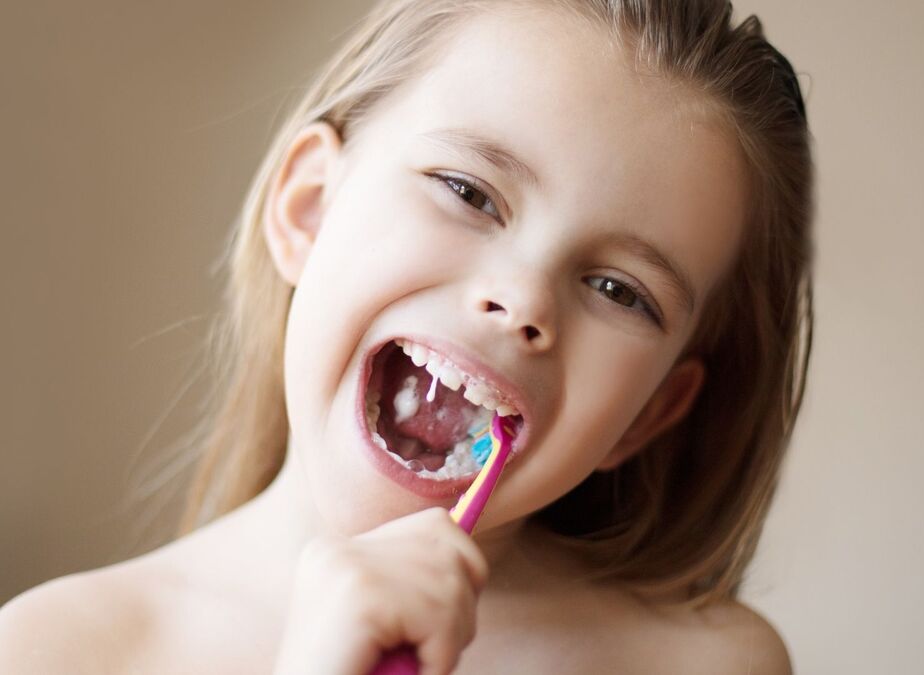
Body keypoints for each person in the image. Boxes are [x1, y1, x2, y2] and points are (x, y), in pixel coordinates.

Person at [0, 0, 813, 672]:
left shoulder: (707, 665)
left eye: (617, 290)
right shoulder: (57, 649)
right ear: (308, 206)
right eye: (469, 191)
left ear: (645, 413)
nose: (522, 298)